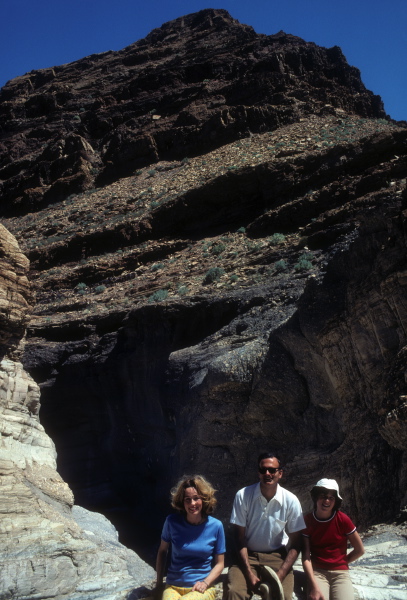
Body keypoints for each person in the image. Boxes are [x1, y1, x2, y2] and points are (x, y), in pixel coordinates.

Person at [225, 452, 306, 600]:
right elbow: (239, 537)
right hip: (247, 555)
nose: (267, 473)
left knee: (286, 596)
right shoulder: (243, 496)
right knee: (234, 592)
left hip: (277, 556)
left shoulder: (291, 500)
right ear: (258, 473)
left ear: (280, 473)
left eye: (272, 470)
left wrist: (280, 575)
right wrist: (249, 574)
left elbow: (296, 543)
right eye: (263, 470)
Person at [156, 475, 226, 600]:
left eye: (196, 498)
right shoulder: (171, 522)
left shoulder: (216, 526)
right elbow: (162, 551)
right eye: (187, 499)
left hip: (201, 588)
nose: (192, 503)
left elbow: (220, 564)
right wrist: (158, 583)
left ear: (204, 500)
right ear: (182, 502)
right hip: (173, 586)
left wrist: (206, 583)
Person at [302, 478, 365, 600]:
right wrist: (314, 586)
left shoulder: (343, 519)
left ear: (335, 501)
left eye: (331, 498)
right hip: (318, 572)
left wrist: (341, 562)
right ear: (316, 497)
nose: (327, 501)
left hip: (340, 574)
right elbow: (306, 557)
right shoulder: (307, 521)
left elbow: (360, 550)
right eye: (323, 496)